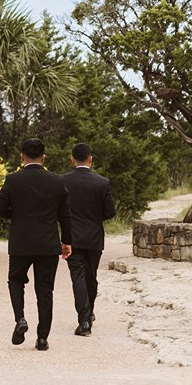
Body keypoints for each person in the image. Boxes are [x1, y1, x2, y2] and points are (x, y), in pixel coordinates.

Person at [0, 137, 73, 351]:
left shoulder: (13, 180)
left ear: (22, 157)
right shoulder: (57, 181)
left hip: (21, 242)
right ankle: (43, 337)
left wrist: (17, 216)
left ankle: (20, 318)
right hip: (48, 243)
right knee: (45, 290)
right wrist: (67, 242)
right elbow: (65, 215)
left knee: (15, 280)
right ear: (43, 157)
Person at [63, 141, 116, 336]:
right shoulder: (102, 182)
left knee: (78, 277)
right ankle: (89, 311)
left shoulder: (64, 181)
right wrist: (95, 219)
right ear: (91, 159)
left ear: (72, 160)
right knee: (91, 276)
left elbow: (59, 209)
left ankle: (84, 320)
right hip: (94, 237)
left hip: (72, 238)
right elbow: (110, 212)